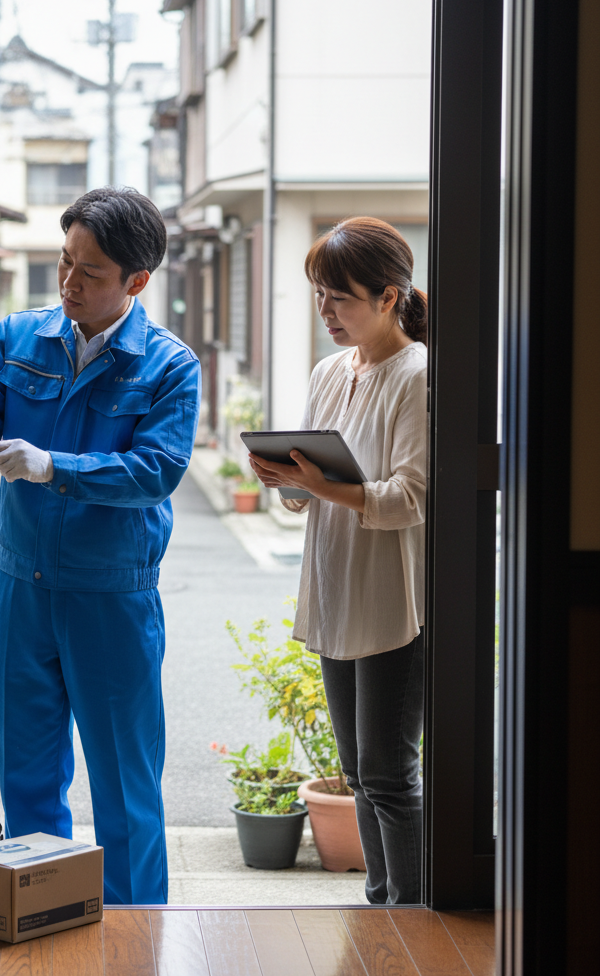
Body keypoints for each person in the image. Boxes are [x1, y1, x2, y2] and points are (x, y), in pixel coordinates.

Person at [0, 187, 201, 905]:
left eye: (90, 272)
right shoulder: (18, 336)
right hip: (22, 587)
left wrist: (52, 465)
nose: (69, 282)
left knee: (125, 787)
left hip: (112, 593)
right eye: (64, 262)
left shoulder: (168, 365)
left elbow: (156, 470)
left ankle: (139, 936)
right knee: (29, 778)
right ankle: (37, 922)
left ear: (136, 281)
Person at [249, 217, 428, 905]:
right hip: (336, 588)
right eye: (319, 296)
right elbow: (316, 492)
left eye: (339, 298)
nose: (325, 312)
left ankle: (409, 916)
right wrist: (293, 482)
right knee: (358, 772)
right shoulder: (331, 371)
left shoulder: (416, 375)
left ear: (388, 297)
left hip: (391, 598)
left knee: (388, 772)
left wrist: (322, 486)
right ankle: (382, 905)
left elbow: (410, 497)